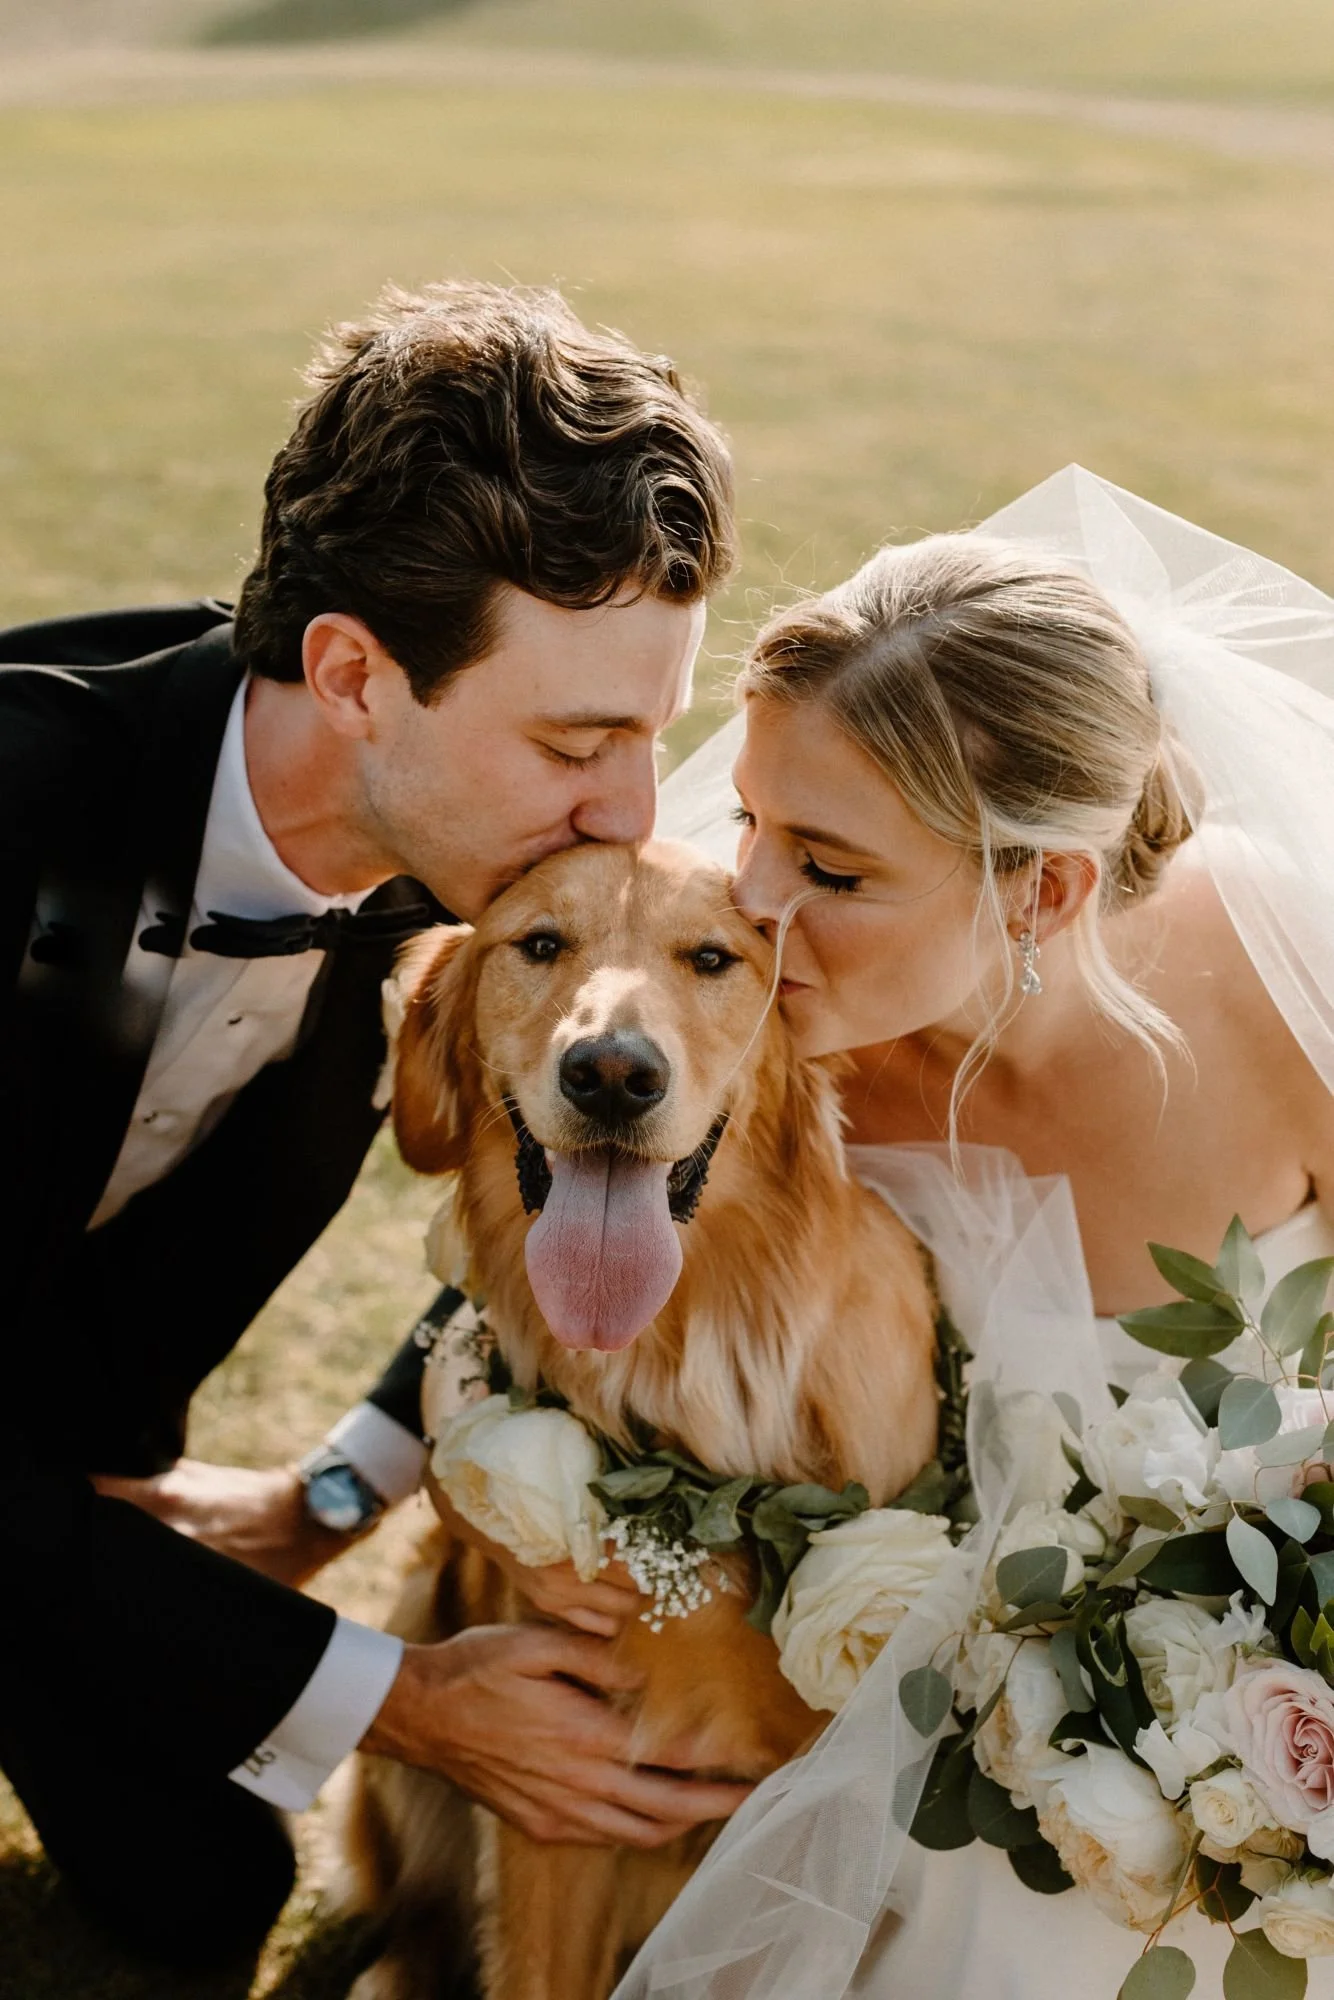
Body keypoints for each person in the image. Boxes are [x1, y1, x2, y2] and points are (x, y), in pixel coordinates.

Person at [486, 469, 1334, 1997]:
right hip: (914, 1703)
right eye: (749, 818)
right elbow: (530, 1253)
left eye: (829, 866)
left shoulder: (1279, 979)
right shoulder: (762, 1041)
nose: (745, 896)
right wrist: (495, 1490)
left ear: (1041, 890)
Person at [0, 278, 753, 1973]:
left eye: (653, 730)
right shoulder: (19, 802)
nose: (630, 812)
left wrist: (334, 1486)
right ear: (352, 674)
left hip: (61, 1465)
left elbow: (563, 1214)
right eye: (578, 739)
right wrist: (395, 1699)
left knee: (205, 1892)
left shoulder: (469, 885)